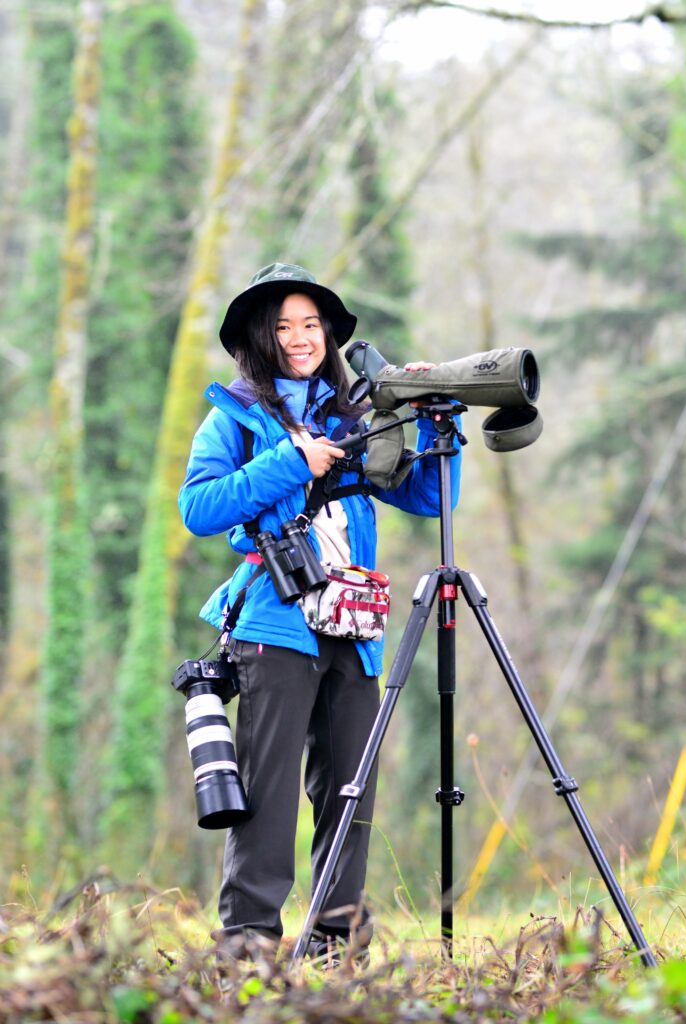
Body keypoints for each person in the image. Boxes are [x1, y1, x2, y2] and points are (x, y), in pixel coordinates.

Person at [178, 263, 461, 965]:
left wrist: (435, 418)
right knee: (267, 799)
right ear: (259, 337)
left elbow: (430, 498)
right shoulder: (234, 416)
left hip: (355, 630)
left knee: (349, 793)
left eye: (311, 324)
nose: (300, 338)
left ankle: (337, 952)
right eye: (283, 326)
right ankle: (248, 951)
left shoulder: (355, 416)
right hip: (273, 627)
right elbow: (199, 508)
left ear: (328, 333)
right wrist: (290, 462)